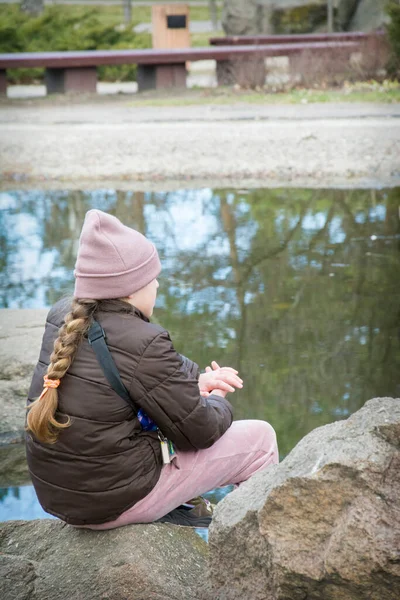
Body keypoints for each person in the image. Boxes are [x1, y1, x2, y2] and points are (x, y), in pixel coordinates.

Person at [25, 209, 279, 530]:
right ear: (130, 289)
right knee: (262, 440)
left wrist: (195, 381)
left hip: (60, 496)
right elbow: (198, 433)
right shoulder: (143, 340)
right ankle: (248, 550)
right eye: (152, 277)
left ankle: (182, 506)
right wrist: (217, 403)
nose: (157, 283)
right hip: (111, 501)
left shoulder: (63, 314)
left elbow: (122, 376)